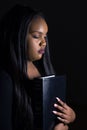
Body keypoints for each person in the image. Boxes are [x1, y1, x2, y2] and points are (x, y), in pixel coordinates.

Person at [0, 4, 76, 130]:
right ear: (17, 36)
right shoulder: (5, 80)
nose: (44, 42)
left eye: (45, 36)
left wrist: (70, 116)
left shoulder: (43, 70)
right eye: (36, 36)